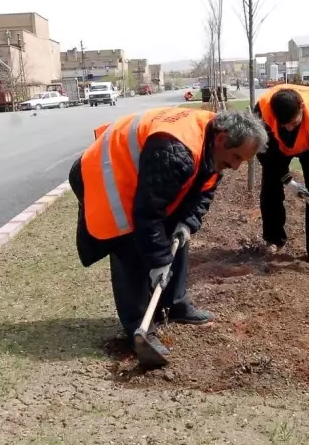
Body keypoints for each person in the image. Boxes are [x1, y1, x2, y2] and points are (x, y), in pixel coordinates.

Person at [69, 107, 269, 364]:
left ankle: (174, 303)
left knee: (176, 233)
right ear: (221, 140)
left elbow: (204, 189)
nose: (236, 166)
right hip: (106, 175)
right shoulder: (176, 150)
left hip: (145, 178)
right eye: (236, 157)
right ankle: (139, 327)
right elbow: (148, 214)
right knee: (128, 243)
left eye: (243, 160)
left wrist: (187, 222)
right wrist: (158, 262)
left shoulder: (211, 144)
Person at [252, 83, 309, 266]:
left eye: (294, 123)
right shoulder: (262, 113)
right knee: (270, 189)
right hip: (276, 147)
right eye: (285, 125)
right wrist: (287, 179)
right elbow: (265, 154)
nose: (289, 128)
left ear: (302, 108)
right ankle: (274, 239)